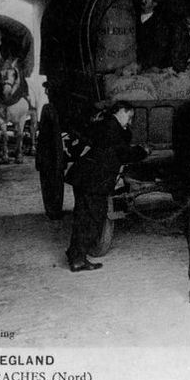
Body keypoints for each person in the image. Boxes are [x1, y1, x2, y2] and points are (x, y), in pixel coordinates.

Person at [64, 101, 150, 272]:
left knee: (83, 216)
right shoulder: (112, 128)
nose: (130, 121)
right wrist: (143, 151)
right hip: (93, 181)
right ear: (119, 111)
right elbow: (124, 154)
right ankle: (78, 259)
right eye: (129, 116)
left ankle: (75, 254)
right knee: (93, 218)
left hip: (86, 178)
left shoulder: (105, 124)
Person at [135, 0, 172, 70]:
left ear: (154, 3)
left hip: (151, 66)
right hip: (134, 62)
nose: (143, 1)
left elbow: (161, 47)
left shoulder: (159, 22)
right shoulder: (134, 17)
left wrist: (150, 64)